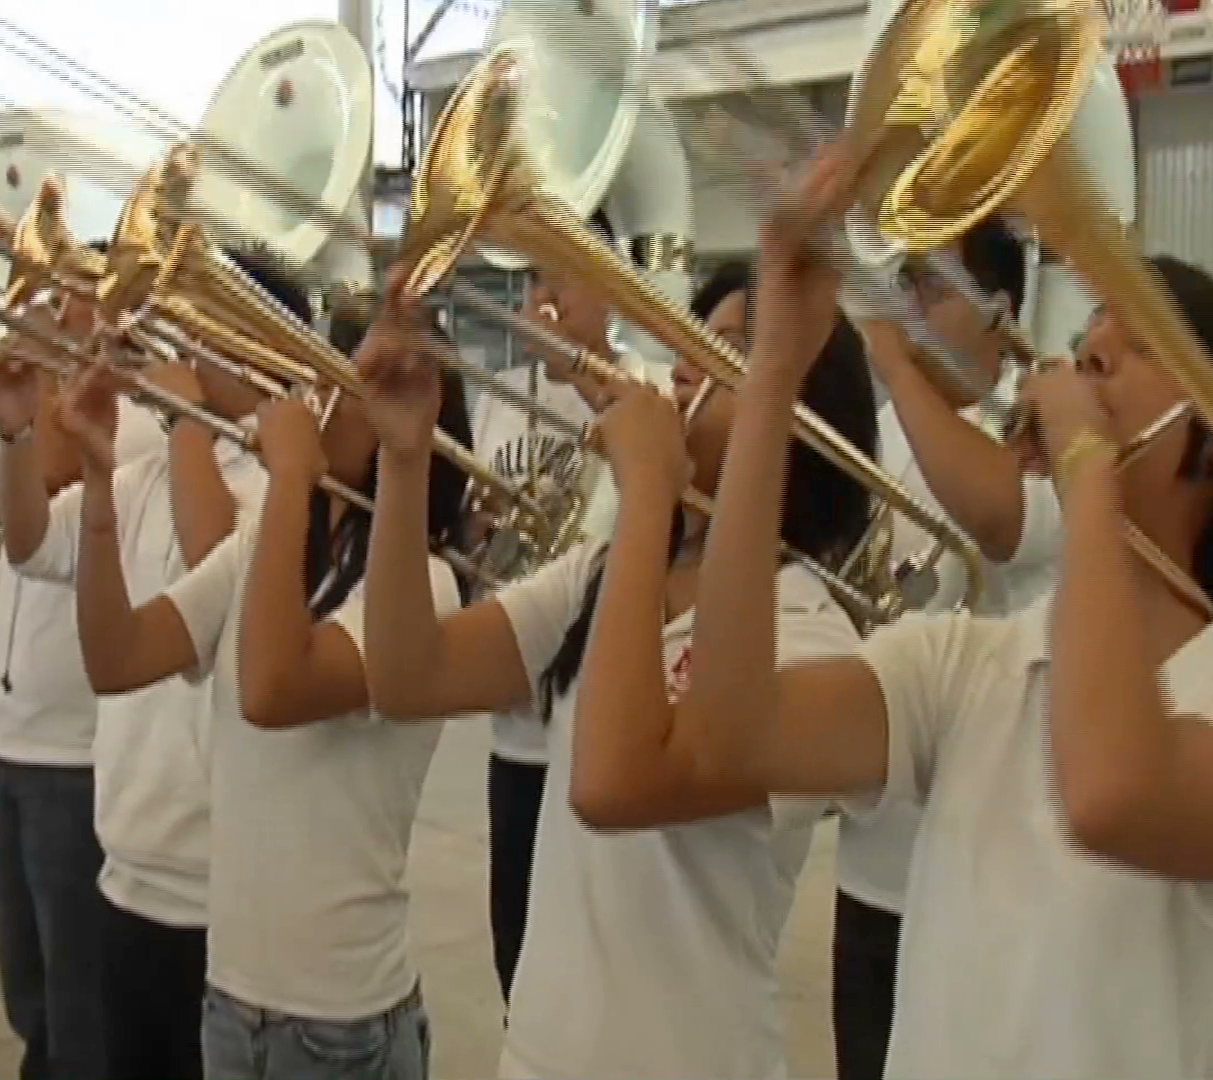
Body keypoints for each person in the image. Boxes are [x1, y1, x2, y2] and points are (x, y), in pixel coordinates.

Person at [678, 145, 1213, 1079]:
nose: (1087, 355)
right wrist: (772, 374)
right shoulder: (970, 666)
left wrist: (1084, 469)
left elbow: (1112, 791)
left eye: (1133, 349)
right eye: (1089, 336)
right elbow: (730, 730)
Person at [356, 263, 879, 1078]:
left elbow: (614, 785)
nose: (680, 364)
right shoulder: (609, 574)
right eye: (691, 340)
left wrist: (645, 497)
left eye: (729, 349)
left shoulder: (814, 637)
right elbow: (406, 676)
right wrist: (403, 459)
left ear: (800, 414)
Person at [59, 309, 471, 1080]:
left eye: (342, 381)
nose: (312, 394)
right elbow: (116, 656)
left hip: (341, 1020)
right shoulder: (268, 546)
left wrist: (288, 477)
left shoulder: (426, 587)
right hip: (232, 996)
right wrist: (95, 480)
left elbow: (273, 689)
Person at [0, 253, 304, 1080]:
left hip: (222, 895)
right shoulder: (140, 477)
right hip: (124, 873)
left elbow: (211, 563)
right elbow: (26, 540)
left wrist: (185, 418)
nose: (179, 351)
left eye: (201, 335)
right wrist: (18, 429)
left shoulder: (281, 491)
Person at [835, 216, 1064, 1080]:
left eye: (930, 287)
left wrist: (891, 359)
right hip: (870, 855)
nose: (908, 305)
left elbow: (998, 520)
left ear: (998, 311)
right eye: (908, 286)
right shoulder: (883, 430)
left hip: (990, 862)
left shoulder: (1050, 437)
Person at [0, 294, 164, 1080]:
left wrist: (43, 387)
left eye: (68, 303)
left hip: (74, 757)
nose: (47, 315)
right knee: (31, 1005)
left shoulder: (137, 425)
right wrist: (14, 423)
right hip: (7, 741)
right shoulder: (65, 408)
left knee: (77, 1013)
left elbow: (55, 467)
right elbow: (25, 542)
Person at [471, 209, 644, 1006]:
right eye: (539, 276)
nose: (550, 295)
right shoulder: (501, 395)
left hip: (596, 732)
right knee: (514, 956)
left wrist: (581, 375)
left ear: (610, 287)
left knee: (597, 972)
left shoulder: (642, 394)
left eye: (570, 276)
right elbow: (475, 538)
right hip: (514, 734)